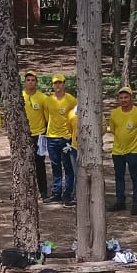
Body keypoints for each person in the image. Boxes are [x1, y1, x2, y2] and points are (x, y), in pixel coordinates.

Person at [106, 86, 137, 215]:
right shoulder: (114, 113)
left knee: (135, 177)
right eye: (121, 98)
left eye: (126, 97)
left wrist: (136, 141)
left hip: (133, 151)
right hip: (118, 151)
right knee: (119, 177)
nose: (123, 100)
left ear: (131, 98)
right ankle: (120, 201)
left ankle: (136, 203)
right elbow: (112, 129)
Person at [44, 75, 78, 205]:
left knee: (68, 166)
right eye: (55, 83)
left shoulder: (71, 100)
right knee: (55, 165)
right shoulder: (48, 100)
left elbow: (74, 117)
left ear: (64, 84)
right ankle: (56, 192)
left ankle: (67, 193)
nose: (57, 85)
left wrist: (70, 135)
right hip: (51, 137)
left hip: (66, 138)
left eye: (60, 83)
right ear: (52, 85)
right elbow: (47, 116)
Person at [21, 71, 52, 199]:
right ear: (25, 82)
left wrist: (45, 133)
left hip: (39, 135)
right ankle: (24, 191)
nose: (30, 82)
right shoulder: (20, 96)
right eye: (28, 80)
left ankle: (43, 191)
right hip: (23, 136)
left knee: (39, 164)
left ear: (36, 82)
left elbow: (47, 118)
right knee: (23, 164)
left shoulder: (43, 98)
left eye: (33, 80)